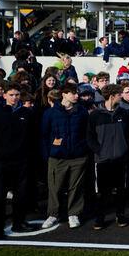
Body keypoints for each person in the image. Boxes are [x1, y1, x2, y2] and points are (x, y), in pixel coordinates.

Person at [0, 82, 38, 237]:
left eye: (17, 95)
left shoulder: (27, 113)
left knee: (20, 195)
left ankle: (19, 223)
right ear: (4, 95)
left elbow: (32, 137)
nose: (14, 98)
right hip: (1, 162)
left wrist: (28, 157)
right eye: (11, 95)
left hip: (21, 161)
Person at [40, 84, 89, 230]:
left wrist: (83, 149)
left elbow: (87, 131)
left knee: (76, 187)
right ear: (64, 94)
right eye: (73, 93)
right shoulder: (50, 113)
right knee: (55, 187)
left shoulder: (82, 111)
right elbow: (44, 135)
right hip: (57, 157)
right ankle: (53, 214)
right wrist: (48, 154)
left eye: (77, 94)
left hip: (78, 156)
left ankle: (73, 214)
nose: (76, 96)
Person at [86, 84, 129, 230]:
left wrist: (124, 149)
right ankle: (100, 218)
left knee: (121, 190)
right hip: (102, 160)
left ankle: (121, 215)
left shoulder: (124, 113)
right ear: (112, 96)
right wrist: (100, 151)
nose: (121, 97)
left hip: (120, 159)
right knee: (101, 192)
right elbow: (90, 137)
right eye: (119, 94)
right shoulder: (95, 115)